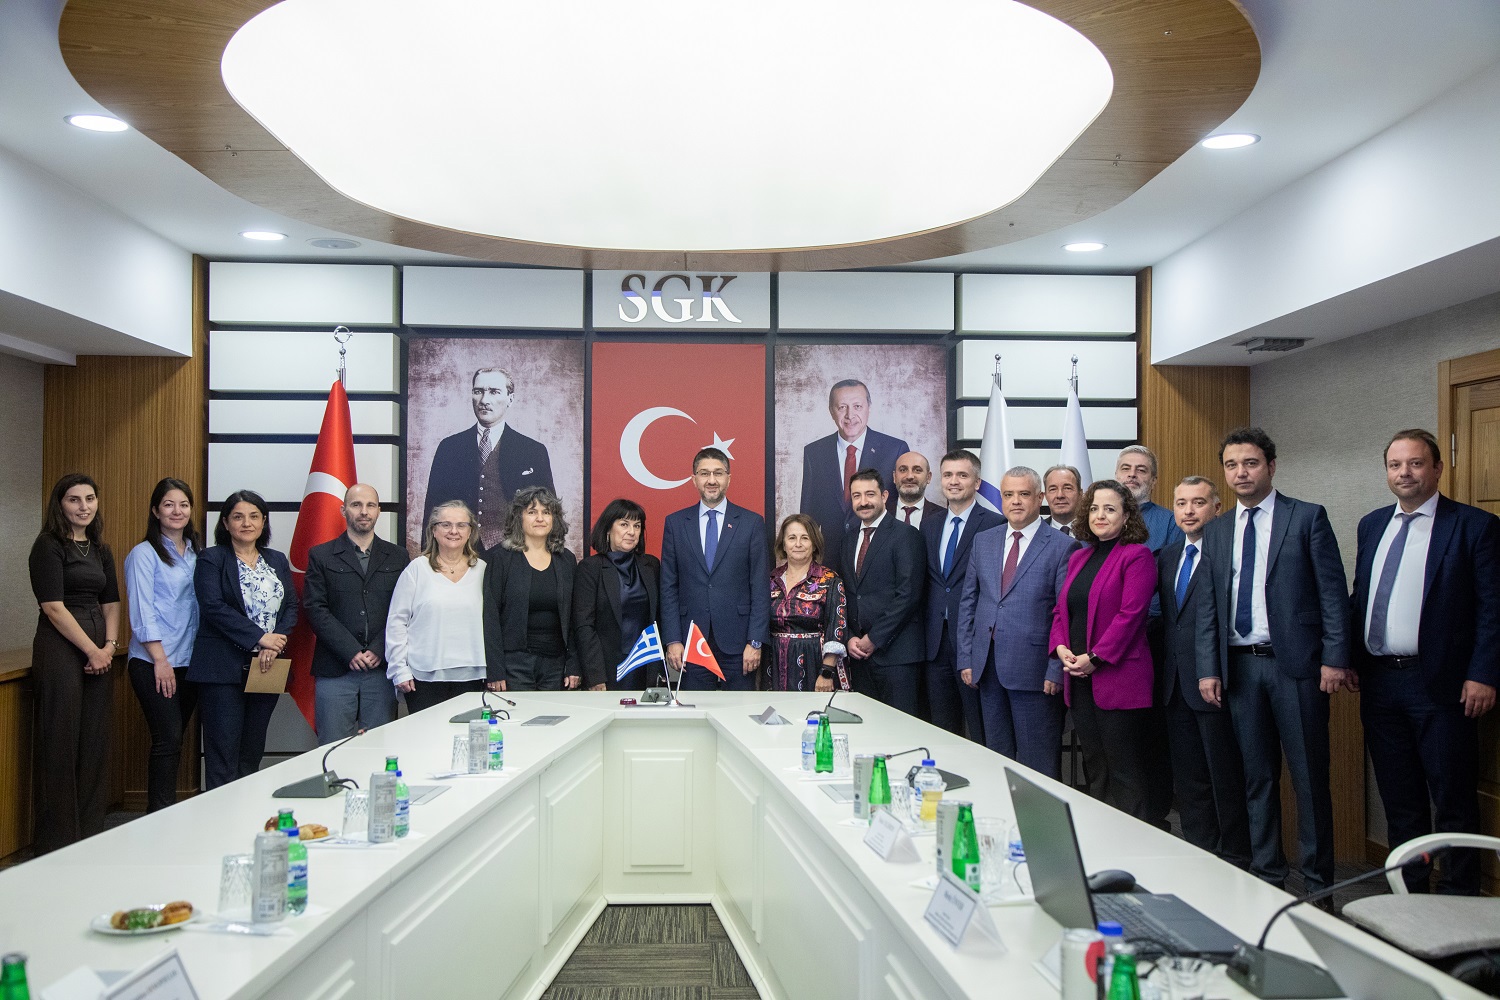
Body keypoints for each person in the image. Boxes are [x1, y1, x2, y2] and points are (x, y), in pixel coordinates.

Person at [1202, 427, 1351, 896]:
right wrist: (1209, 667)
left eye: (1250, 463)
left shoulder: (1306, 517)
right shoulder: (1217, 529)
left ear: (1270, 466)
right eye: (1231, 465)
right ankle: (1267, 875)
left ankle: (1318, 886)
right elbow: (1209, 604)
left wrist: (1335, 658)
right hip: (1240, 669)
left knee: (1308, 779)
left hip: (1298, 668)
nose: (1241, 473)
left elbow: (1332, 593)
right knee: (1257, 778)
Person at [1351, 429, 1500, 895]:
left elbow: (1493, 608)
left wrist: (1483, 674)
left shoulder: (1474, 526)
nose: (1405, 473)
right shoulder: (1372, 524)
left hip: (1442, 685)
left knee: (1452, 798)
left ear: (1437, 468)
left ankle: (1459, 899)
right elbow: (1362, 599)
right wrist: (1346, 657)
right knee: (1400, 799)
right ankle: (1408, 897)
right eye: (1395, 465)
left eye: (1415, 463)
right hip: (1380, 683)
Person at [1156, 476, 1251, 867]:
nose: (1189, 511)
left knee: (1224, 775)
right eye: (1181, 503)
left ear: (1217, 507)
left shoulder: (1229, 551)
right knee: (1189, 778)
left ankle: (1235, 857)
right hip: (1174, 684)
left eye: (1198, 502)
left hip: (1215, 682)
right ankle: (1200, 853)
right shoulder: (1167, 555)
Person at [957, 466, 1076, 776]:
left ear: (1039, 497)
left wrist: (1056, 668)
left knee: (1038, 763)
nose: (1016, 501)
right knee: (997, 759)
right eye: (1008, 495)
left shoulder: (1063, 546)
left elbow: (1064, 613)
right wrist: (966, 657)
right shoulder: (984, 540)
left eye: (1024, 494)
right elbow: (969, 602)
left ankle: (1040, 810)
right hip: (987, 667)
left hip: (1035, 671)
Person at [1049, 479, 1157, 820]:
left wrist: (1095, 658)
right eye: (1094, 508)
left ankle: (1136, 842)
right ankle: (1103, 836)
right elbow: (1061, 611)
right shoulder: (1080, 557)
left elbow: (1131, 615)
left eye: (1110, 509)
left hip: (1118, 678)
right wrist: (1061, 647)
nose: (1100, 515)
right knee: (1095, 766)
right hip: (1079, 678)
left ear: (1126, 516)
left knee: (1125, 770)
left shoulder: (1137, 556)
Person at [29, 473, 121, 852]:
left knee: (94, 742)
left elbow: (111, 603)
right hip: (61, 649)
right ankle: (58, 842)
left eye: (90, 499)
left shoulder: (101, 549)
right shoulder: (48, 546)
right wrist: (92, 651)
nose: (84, 506)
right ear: (60, 504)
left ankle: (90, 835)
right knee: (61, 742)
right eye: (74, 499)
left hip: (100, 650)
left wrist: (109, 646)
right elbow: (53, 607)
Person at [189, 490, 298, 790]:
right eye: (238, 517)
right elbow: (213, 607)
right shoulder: (211, 558)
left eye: (254, 516)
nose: (246, 523)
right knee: (223, 755)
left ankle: (245, 813)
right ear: (225, 523)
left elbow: (291, 605)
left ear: (264, 521)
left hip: (267, 666)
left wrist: (276, 642)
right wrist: (260, 638)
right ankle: (219, 816)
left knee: (252, 752)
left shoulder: (276, 559)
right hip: (222, 670)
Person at [302, 483, 410, 745]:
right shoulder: (321, 555)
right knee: (332, 746)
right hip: (335, 667)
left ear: (379, 511)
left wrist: (379, 648)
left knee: (379, 747)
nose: (364, 511)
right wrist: (350, 651)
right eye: (356, 505)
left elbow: (405, 610)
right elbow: (315, 608)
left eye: (370, 505)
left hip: (381, 668)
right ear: (343, 510)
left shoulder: (398, 556)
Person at [660, 447, 769, 691]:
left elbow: (760, 587)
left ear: (728, 478)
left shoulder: (751, 523)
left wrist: (755, 641)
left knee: (739, 710)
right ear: (694, 479)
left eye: (718, 473)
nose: (711, 480)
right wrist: (673, 639)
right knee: (695, 710)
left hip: (739, 644)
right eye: (704, 473)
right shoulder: (676, 523)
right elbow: (668, 587)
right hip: (691, 641)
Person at [123, 477, 200, 813]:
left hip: (190, 661)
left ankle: (165, 814)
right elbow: (142, 612)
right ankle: (157, 817)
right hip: (154, 662)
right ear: (155, 511)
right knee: (167, 740)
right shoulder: (143, 554)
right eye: (169, 505)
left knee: (175, 740)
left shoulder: (198, 552)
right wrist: (160, 660)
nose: (176, 511)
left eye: (183, 504)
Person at [424, 367, 555, 550]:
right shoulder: (449, 447)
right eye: (478, 391)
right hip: (460, 553)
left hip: (514, 553)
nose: (484, 400)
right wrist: (429, 555)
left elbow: (549, 512)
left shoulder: (533, 450)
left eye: (494, 392)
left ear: (510, 399)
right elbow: (432, 511)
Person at [923, 451, 1005, 740]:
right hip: (935, 643)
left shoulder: (996, 524)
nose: (954, 481)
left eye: (962, 475)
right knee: (942, 729)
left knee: (980, 728)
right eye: (948, 475)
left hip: (974, 642)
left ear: (977, 482)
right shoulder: (929, 524)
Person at [387, 501, 493, 713]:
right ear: (433, 531)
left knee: (468, 734)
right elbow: (397, 622)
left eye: (461, 525)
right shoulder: (417, 569)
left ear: (470, 532)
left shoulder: (483, 570)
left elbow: (495, 624)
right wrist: (399, 669)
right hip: (423, 678)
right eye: (446, 524)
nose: (454, 531)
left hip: (474, 677)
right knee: (427, 735)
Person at [799, 379, 910, 573]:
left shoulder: (895, 449)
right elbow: (808, 515)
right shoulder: (814, 452)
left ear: (869, 407)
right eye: (842, 407)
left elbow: (903, 509)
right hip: (830, 562)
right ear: (831, 411)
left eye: (857, 406)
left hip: (880, 559)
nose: (850, 415)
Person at [839, 469, 926, 713]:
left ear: (884, 496)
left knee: (900, 728)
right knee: (867, 726)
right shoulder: (848, 540)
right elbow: (847, 594)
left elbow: (908, 595)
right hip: (858, 656)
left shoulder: (906, 535)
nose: (863, 502)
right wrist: (850, 637)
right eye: (856, 496)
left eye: (870, 494)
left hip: (896, 656)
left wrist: (874, 639)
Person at [482, 486, 580, 691]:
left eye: (547, 512)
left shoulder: (566, 560)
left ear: (555, 519)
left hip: (556, 665)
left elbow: (574, 617)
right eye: (532, 512)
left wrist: (573, 664)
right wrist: (496, 670)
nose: (540, 518)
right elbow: (490, 617)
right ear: (519, 517)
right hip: (514, 665)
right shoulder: (501, 558)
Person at [574, 499, 660, 691]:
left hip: (645, 667)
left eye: (637, 526)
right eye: (624, 524)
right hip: (606, 670)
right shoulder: (590, 568)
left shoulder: (651, 566)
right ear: (608, 529)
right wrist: (595, 676)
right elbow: (584, 626)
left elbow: (658, 619)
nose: (632, 532)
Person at [768, 514, 849, 692]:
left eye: (805, 538)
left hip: (814, 663)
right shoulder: (771, 579)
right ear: (783, 544)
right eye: (792, 538)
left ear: (814, 544)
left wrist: (826, 672)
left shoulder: (829, 579)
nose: (798, 544)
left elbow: (837, 627)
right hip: (774, 663)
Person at [1114, 445, 1182, 552]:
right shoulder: (1098, 518)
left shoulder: (1171, 522)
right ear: (1116, 476)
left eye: (1141, 470)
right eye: (1126, 469)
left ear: (1153, 480)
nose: (1132, 474)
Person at [892, 452, 944, 529]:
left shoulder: (944, 517)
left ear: (928, 477)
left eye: (917, 470)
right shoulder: (880, 513)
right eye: (903, 470)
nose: (909, 476)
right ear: (894, 477)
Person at [1042, 464, 1083, 535]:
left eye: (1067, 488)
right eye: (1053, 489)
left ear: (1080, 494)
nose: (1060, 495)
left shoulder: (1095, 532)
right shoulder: (1035, 533)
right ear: (1045, 495)